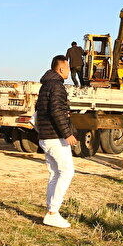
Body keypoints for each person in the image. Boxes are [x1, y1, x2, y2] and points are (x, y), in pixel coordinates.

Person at [36, 54, 78, 228]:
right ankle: (53, 212)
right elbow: (57, 111)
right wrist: (67, 133)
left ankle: (50, 210)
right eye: (68, 67)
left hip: (45, 136)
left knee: (55, 173)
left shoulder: (45, 85)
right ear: (61, 69)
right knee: (67, 172)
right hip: (55, 137)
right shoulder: (57, 86)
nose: (69, 70)